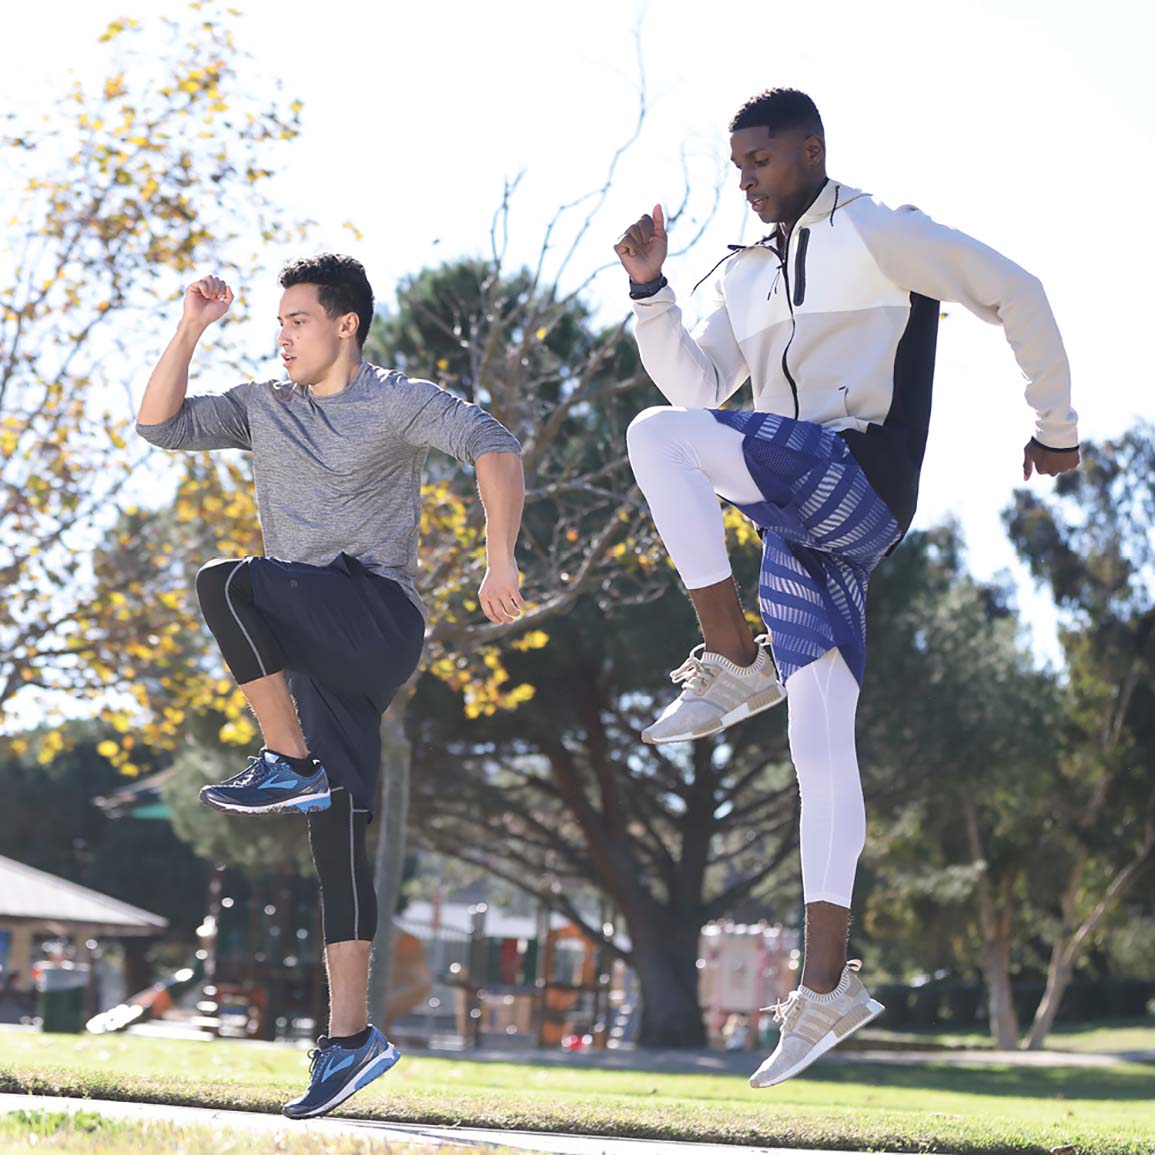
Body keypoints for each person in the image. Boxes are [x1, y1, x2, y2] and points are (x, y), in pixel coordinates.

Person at [613, 88, 1078, 1087]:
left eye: (762, 160)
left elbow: (1017, 288)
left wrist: (1057, 426)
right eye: (737, 165)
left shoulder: (877, 231)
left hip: (854, 475)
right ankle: (824, 988)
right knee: (819, 744)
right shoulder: (744, 270)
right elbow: (700, 392)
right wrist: (651, 292)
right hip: (800, 517)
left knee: (654, 440)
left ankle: (733, 656)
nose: (747, 180)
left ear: (811, 150)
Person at [136, 253, 525, 1118]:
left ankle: (286, 758)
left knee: (226, 582)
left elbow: (494, 444)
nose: (282, 336)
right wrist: (191, 326)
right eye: (277, 322)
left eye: (298, 320)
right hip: (315, 651)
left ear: (345, 324)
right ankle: (350, 1038)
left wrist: (499, 556)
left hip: (376, 617)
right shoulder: (262, 405)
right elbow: (158, 425)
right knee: (337, 838)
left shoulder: (396, 399)